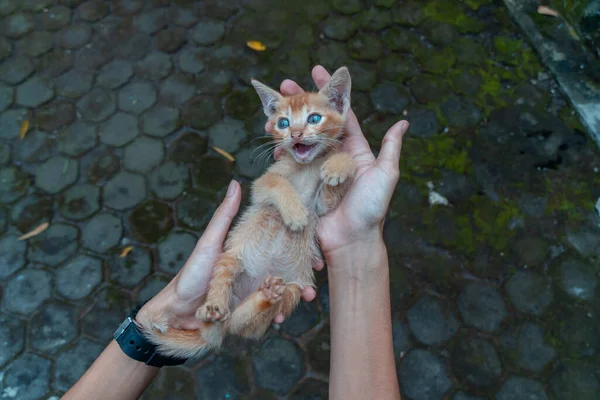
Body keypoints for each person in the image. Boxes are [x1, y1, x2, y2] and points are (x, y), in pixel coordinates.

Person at [64, 65, 407, 400]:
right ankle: (216, 308)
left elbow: (328, 203)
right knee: (229, 263)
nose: (298, 134)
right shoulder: (285, 163)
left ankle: (248, 306)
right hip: (261, 251)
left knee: (284, 293)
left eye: (313, 119)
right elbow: (266, 186)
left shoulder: (338, 159)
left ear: (339, 106)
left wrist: (340, 168)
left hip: (282, 271)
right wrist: (290, 200)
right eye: (285, 123)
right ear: (273, 122)